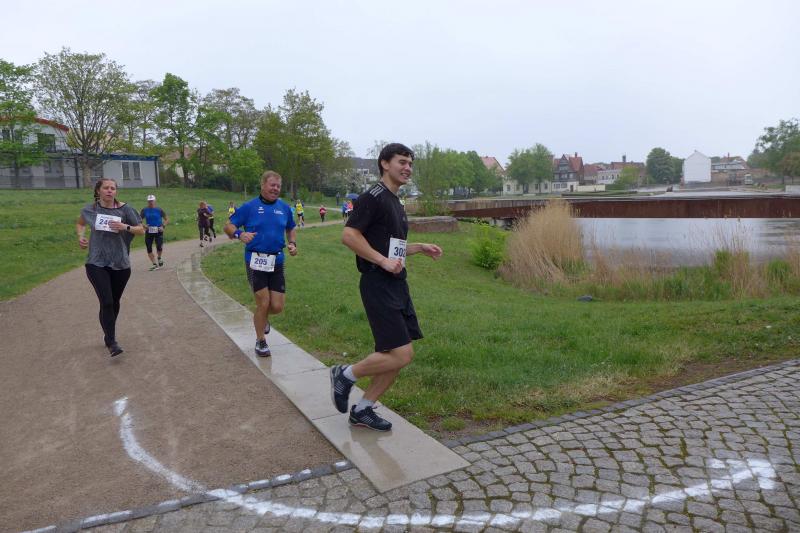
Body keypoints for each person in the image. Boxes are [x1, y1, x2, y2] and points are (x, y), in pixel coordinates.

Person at [330, 143, 443, 431]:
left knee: (396, 358)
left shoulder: (396, 201)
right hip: (377, 283)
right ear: (384, 163)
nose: (408, 168)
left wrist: (419, 247)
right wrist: (381, 261)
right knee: (402, 354)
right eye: (402, 162)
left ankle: (363, 409)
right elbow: (349, 235)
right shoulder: (373, 197)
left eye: (410, 164)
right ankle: (345, 375)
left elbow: (391, 248)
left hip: (396, 284)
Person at [224, 171, 298, 357]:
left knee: (277, 307)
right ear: (263, 185)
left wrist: (292, 243)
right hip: (255, 260)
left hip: (277, 260)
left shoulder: (284, 208)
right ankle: (261, 341)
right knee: (263, 302)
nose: (276, 189)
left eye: (278, 186)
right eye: (272, 185)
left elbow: (291, 227)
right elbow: (228, 226)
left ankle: (262, 317)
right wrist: (240, 234)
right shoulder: (249, 207)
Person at [76, 178, 145, 357]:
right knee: (106, 301)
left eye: (112, 188)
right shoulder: (90, 209)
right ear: (98, 191)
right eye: (106, 188)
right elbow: (81, 223)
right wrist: (81, 236)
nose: (109, 191)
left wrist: (125, 226)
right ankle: (112, 342)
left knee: (114, 302)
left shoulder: (126, 209)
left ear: (116, 191)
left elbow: (141, 229)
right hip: (96, 263)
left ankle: (108, 334)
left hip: (120, 263)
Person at [140, 194, 168, 270]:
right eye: (149, 201)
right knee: (149, 247)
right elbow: (139, 220)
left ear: (155, 201)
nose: (151, 202)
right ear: (147, 202)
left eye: (152, 201)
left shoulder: (159, 210)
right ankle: (154, 264)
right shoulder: (144, 210)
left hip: (158, 230)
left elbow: (166, 219)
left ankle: (159, 258)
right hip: (149, 230)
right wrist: (144, 226)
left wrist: (163, 226)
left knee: (159, 246)